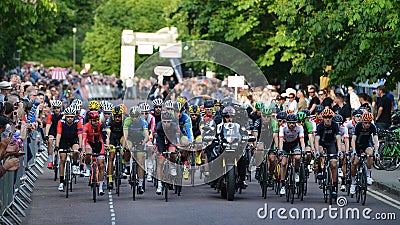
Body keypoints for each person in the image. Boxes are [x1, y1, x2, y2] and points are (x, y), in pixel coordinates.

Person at [314, 108, 342, 196]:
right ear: (323, 118)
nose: (327, 119)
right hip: (322, 143)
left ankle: (333, 186)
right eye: (326, 117)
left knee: (334, 164)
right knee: (320, 151)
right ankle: (319, 169)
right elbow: (317, 139)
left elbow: (338, 138)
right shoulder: (320, 126)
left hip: (331, 144)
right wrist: (317, 151)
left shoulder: (334, 125)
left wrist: (340, 150)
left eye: (329, 117)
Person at [55, 107, 83, 192]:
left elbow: (80, 135)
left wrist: (80, 147)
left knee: (75, 150)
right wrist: (56, 146)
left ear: (74, 116)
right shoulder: (61, 122)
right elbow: (58, 134)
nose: (70, 118)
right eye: (68, 117)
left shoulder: (77, 122)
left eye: (71, 117)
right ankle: (61, 181)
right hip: (64, 140)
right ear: (65, 116)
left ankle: (75, 164)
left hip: (73, 139)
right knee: (62, 159)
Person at [350, 112, 379, 194]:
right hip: (357, 145)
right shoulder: (358, 126)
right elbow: (353, 139)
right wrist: (354, 151)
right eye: (365, 123)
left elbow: (376, 140)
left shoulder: (372, 127)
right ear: (362, 122)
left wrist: (376, 151)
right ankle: (353, 183)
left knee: (370, 154)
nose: (367, 125)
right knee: (355, 163)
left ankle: (368, 175)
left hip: (366, 144)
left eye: (369, 123)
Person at [278, 113, 306, 195]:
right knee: (283, 163)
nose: (291, 125)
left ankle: (296, 172)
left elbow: (302, 140)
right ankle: (283, 185)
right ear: (286, 122)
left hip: (295, 144)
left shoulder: (299, 127)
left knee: (297, 157)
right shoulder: (283, 127)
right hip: (285, 145)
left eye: (293, 123)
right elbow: (281, 140)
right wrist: (280, 150)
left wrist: (303, 150)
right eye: (289, 123)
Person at [123, 106, 149, 194]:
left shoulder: (143, 122)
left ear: (139, 116)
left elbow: (146, 136)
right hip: (130, 138)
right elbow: (125, 136)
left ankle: (141, 184)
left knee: (140, 162)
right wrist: (124, 146)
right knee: (127, 147)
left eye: (136, 116)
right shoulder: (127, 121)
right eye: (132, 116)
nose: (134, 118)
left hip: (140, 139)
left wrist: (144, 143)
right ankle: (127, 165)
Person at [82, 111, 107, 195]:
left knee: (101, 165)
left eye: (97, 120)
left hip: (99, 143)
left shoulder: (101, 125)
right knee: (88, 154)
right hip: (89, 143)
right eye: (94, 120)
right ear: (90, 120)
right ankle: (89, 168)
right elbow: (84, 140)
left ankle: (100, 187)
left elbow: (105, 137)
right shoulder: (86, 126)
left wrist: (107, 145)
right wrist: (83, 151)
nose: (96, 122)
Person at [105, 105, 125, 190]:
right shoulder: (110, 121)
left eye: (119, 117)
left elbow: (126, 135)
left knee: (124, 148)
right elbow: (108, 134)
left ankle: (122, 163)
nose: (117, 118)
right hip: (113, 137)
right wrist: (109, 145)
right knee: (111, 157)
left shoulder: (125, 121)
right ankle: (110, 180)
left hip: (121, 137)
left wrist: (123, 148)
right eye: (116, 117)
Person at [44, 100, 63, 169]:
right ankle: (50, 161)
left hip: (61, 131)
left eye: (58, 108)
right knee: (50, 141)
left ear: (60, 108)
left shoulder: (64, 115)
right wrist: (46, 135)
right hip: (53, 130)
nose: (56, 109)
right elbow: (48, 124)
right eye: (55, 108)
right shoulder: (51, 114)